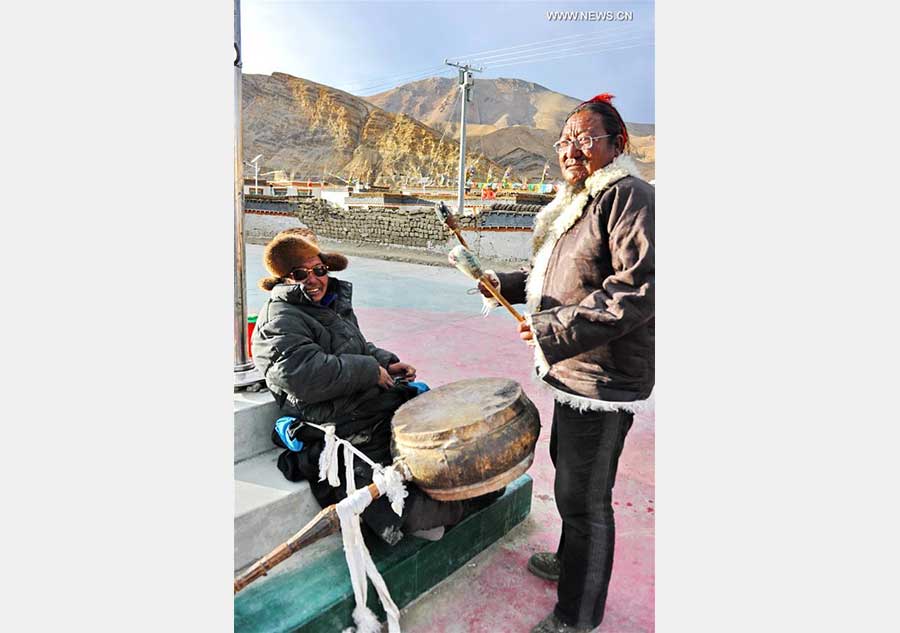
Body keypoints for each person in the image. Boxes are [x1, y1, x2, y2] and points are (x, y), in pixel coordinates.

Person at [479, 94, 654, 632]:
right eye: (564, 141)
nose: (571, 150)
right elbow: (552, 275)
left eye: (584, 139)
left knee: (586, 499)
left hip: (601, 379)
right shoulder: (578, 201)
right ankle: (569, 559)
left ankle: (578, 616)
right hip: (571, 371)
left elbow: (637, 291)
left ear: (616, 144)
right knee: (569, 481)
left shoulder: (629, 196)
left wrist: (553, 328)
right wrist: (500, 285)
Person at [251, 228, 489, 544]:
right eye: (299, 274)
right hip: (336, 417)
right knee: (404, 499)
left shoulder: (330, 305)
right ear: (283, 280)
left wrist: (385, 362)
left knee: (447, 443)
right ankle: (436, 511)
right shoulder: (278, 319)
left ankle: (461, 495)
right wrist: (369, 371)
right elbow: (304, 375)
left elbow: (357, 347)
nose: (313, 280)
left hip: (367, 404)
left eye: (318, 270)